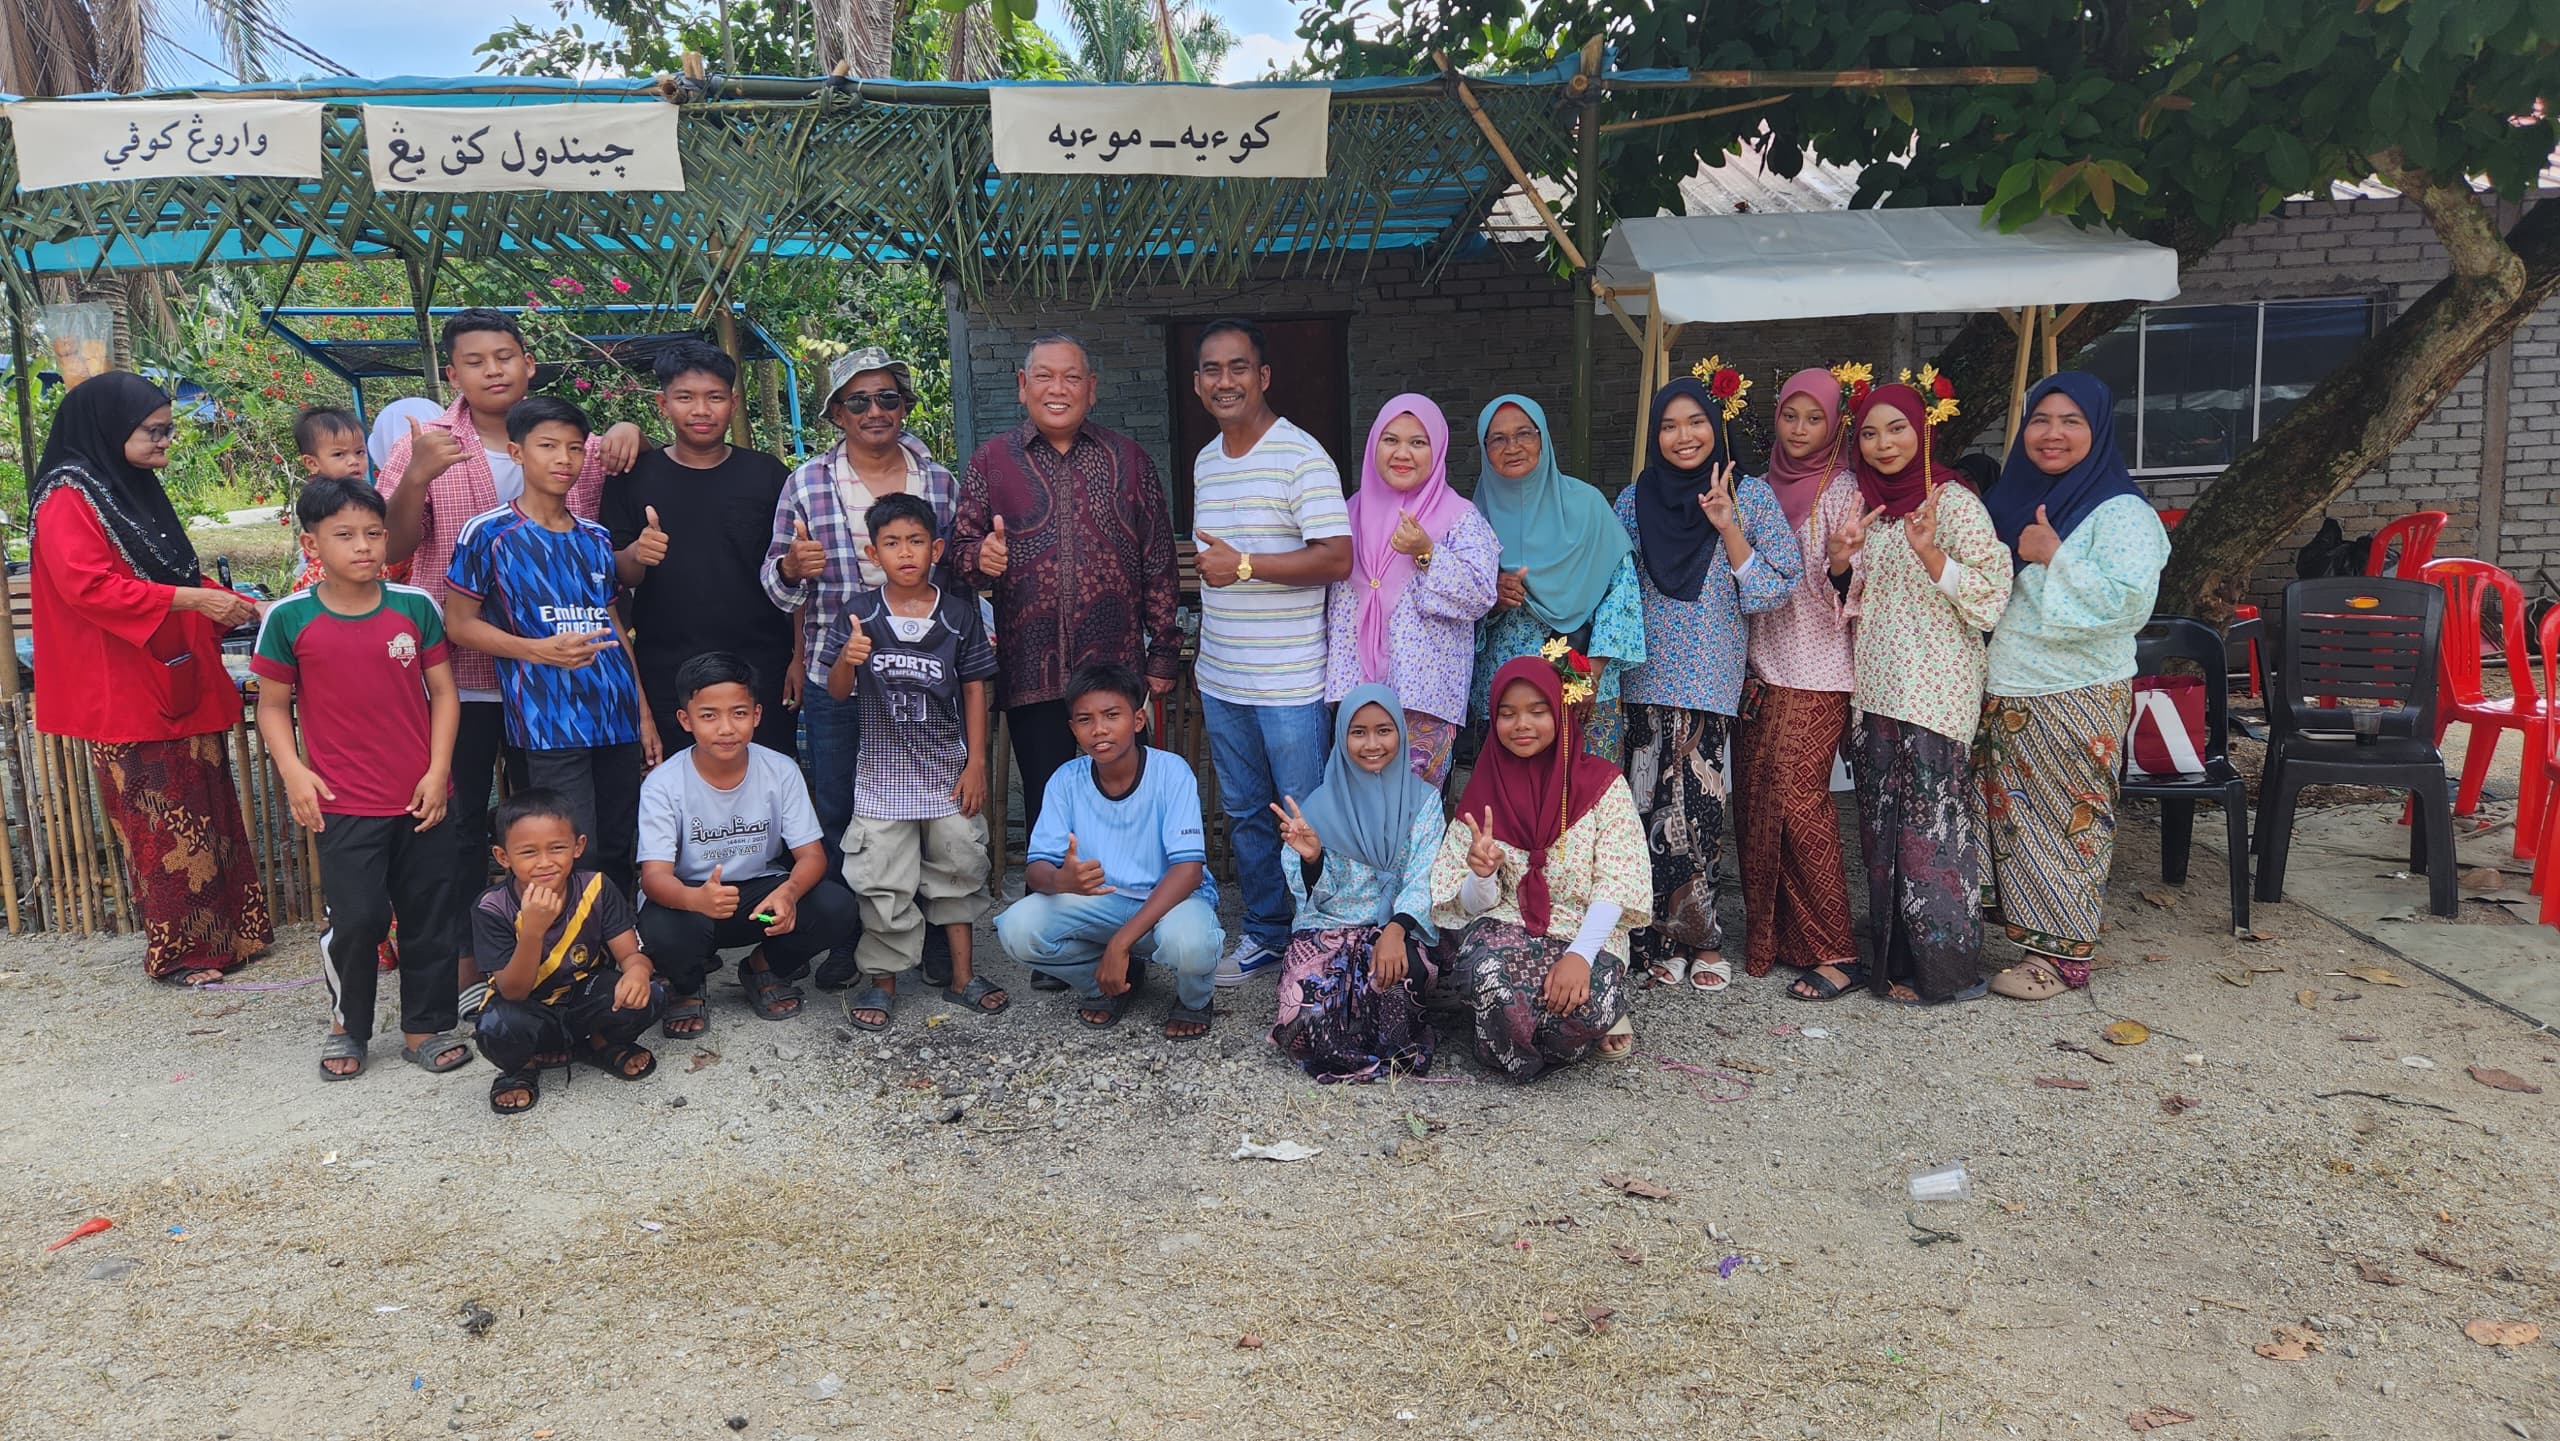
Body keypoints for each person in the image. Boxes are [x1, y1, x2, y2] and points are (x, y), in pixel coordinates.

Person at [374, 309, 642, 948]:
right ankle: (476, 954)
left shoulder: (575, 444)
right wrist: (416, 476)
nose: (493, 370)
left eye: (505, 356)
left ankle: (571, 949)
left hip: (564, 692)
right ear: (452, 374)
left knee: (560, 827)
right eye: (475, 361)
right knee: (465, 820)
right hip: (465, 674)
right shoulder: (425, 442)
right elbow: (391, 549)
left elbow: (603, 566)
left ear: (528, 363)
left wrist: (629, 429)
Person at [25, 371, 271, 982]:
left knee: (207, 808)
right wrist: (195, 601)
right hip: (124, 688)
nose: (166, 442)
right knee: (161, 826)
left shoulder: (126, 486)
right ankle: (181, 955)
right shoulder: (66, 497)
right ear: (110, 429)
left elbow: (169, 570)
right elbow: (89, 586)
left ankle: (232, 937)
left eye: (167, 430)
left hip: (173, 673)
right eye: (154, 431)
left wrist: (239, 603)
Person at [1801, 383, 2011, 1005]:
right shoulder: (1871, 509)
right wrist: (1841, 562)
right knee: (1882, 836)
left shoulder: (1955, 503)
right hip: (1878, 691)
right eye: (1869, 433)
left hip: (1936, 691)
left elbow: (1991, 596)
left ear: (1922, 432)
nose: (1883, 444)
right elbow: (1856, 600)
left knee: (1932, 836)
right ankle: (1894, 964)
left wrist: (1933, 555)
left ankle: (1945, 973)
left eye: (1897, 429)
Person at [252, 476, 469, 1079]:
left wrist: (439, 771)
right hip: (342, 800)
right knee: (358, 919)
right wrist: (294, 772)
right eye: (344, 535)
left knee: (429, 914)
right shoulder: (289, 618)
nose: (363, 546)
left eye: (373, 533)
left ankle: (425, 1027)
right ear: (311, 543)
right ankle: (348, 1024)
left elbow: (444, 694)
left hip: (422, 795)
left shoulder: (414, 607)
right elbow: (272, 706)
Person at [761, 345, 959, 984]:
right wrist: (792, 568)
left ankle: (933, 933)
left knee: (933, 806)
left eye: (887, 398)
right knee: (842, 807)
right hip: (838, 676)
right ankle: (850, 933)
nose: (875, 410)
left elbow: (957, 579)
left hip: (928, 679)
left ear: (904, 406)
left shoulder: (939, 483)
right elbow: (776, 587)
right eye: (859, 400)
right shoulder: (806, 484)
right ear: (836, 414)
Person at [1973, 373, 2169, 1001]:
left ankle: (2061, 962)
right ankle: (2022, 940)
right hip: (2005, 687)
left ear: (2099, 430)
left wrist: (2054, 554)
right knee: (2015, 824)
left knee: (2068, 825)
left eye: (2071, 421)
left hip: (2076, 690)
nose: (2052, 434)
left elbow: (2127, 605)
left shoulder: (2122, 512)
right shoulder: (2012, 497)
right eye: (2040, 420)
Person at [949, 334, 1182, 836]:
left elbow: (1159, 561)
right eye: (1044, 376)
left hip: (1115, 670)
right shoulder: (991, 461)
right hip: (1032, 669)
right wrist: (979, 557)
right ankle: (1056, 883)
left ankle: (1133, 880)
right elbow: (959, 552)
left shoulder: (1130, 459)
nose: (1058, 389)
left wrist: (1163, 653)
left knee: (1128, 797)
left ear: (1091, 388)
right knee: (1047, 801)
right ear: (1022, 385)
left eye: (1072, 378)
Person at [1614, 376, 1801, 993]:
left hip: (1707, 684)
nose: (1683, 436)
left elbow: (1774, 590)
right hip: (1642, 680)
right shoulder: (1633, 500)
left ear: (1716, 426)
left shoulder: (1748, 496)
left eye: (1695, 422)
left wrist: (1728, 527)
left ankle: (1703, 940)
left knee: (1697, 817)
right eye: (1669, 426)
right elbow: (1612, 580)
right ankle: (1656, 940)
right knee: (1645, 814)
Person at [1187, 319, 1352, 987]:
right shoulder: (1206, 460)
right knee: (1246, 813)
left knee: (1302, 815)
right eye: (1211, 369)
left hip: (1289, 682)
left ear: (1263, 376)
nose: (1224, 380)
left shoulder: (1301, 455)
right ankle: (1265, 931)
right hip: (1223, 676)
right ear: (1198, 383)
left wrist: (1248, 566)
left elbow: (1336, 557)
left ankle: (1322, 939)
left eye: (1238, 367)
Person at [443, 396, 658, 891]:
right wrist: (538, 651)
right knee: (570, 849)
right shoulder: (488, 533)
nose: (564, 459)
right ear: (517, 453)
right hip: (547, 723)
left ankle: (618, 939)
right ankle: (567, 941)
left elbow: (611, 624)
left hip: (615, 717)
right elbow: (458, 624)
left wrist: (642, 713)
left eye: (575, 448)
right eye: (548, 446)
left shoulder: (595, 537)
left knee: (619, 845)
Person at [819, 494, 1005, 1030]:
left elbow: (975, 688)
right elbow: (836, 691)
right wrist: (848, 660)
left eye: (916, 541)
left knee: (959, 868)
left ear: (936, 549)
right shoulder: (859, 614)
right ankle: (883, 982)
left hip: (948, 773)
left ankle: (964, 976)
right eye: (892, 543)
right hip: (882, 778)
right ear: (872, 553)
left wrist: (975, 763)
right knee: (882, 880)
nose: (905, 553)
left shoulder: (958, 614)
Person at [1430, 657, 1650, 1080]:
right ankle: (1551, 1030)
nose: (1522, 725)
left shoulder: (1603, 785)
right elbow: (1471, 906)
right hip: (1507, 925)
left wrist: (1580, 956)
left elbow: (1618, 881)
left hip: (1583, 928)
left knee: (1581, 1004)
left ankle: (1585, 1017)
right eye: (1507, 714)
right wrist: (1481, 875)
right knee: (1487, 978)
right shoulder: (1484, 791)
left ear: (1561, 712)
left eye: (1537, 710)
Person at [636, 652, 861, 1037]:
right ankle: (686, 986)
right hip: (693, 904)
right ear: (686, 720)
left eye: (738, 713)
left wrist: (789, 893)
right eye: (709, 716)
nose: (726, 728)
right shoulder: (663, 783)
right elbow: (653, 878)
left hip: (760, 902)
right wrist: (695, 899)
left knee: (836, 906)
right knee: (660, 926)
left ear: (756, 715)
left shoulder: (780, 770)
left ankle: (763, 968)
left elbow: (812, 856)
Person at [994, 662, 1223, 1039]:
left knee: (1191, 943)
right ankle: (1107, 984)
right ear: (1073, 729)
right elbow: (1037, 868)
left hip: (1171, 902)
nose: (1099, 729)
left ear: (1137, 720)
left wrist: (1120, 942)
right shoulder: (1065, 780)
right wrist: (1060, 880)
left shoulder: (1171, 772)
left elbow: (1188, 871)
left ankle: (1194, 1000)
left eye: (1112, 715)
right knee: (1019, 929)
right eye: (1085, 720)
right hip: (1104, 903)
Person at [1734, 370, 1865, 984]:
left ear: (1835, 424)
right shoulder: (1757, 491)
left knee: (1798, 801)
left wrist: (1840, 564)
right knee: (1757, 806)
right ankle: (1782, 938)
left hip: (1821, 671)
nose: (1800, 429)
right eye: (1791, 416)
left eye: (1815, 419)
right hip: (1759, 669)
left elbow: (1859, 585)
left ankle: (1836, 949)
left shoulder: (1845, 492)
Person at [604, 343, 797, 754]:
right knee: (675, 778)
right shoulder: (634, 478)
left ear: (734, 402)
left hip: (762, 663)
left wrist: (797, 657)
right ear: (663, 405)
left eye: (714, 397)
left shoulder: (768, 475)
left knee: (768, 773)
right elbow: (618, 572)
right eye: (685, 398)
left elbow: (795, 573)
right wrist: (638, 553)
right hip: (667, 667)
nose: (701, 410)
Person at [1268, 685, 1448, 1082]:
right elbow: (1311, 897)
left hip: (1397, 926)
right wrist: (1313, 858)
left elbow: (1425, 874)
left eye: (1384, 730)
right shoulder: (1318, 806)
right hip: (1330, 925)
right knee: (1304, 1018)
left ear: (1400, 732)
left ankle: (1388, 1042)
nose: (1372, 744)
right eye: (1358, 732)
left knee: (1399, 981)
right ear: (1341, 737)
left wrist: (1395, 929)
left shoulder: (1423, 802)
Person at [1322, 395, 1500, 784]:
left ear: (1437, 450)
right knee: (1359, 806)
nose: (1402, 453)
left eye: (1418, 442)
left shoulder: (1460, 517)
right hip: (1356, 697)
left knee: (1416, 809)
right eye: (1391, 440)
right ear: (1374, 445)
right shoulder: (1347, 515)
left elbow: (1481, 595)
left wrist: (1426, 552)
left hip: (1423, 700)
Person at [1469, 395, 1644, 763]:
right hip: (1508, 695)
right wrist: (1491, 598)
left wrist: (1590, 674)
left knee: (1585, 788)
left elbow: (1621, 593)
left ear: (1543, 438)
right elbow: (1456, 608)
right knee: (1513, 790)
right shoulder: (1472, 518)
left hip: (1583, 686)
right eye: (1498, 439)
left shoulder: (1587, 505)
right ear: (1484, 449)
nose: (1512, 447)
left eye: (1524, 434)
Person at [470, 789, 664, 1116]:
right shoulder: (492, 907)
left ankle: (601, 1041)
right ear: (503, 857)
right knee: (497, 1025)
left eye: (557, 848)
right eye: (528, 852)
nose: (545, 862)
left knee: (651, 995)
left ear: (578, 846)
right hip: (529, 1008)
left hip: (584, 996)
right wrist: (532, 931)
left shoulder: (596, 888)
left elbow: (631, 955)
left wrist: (637, 972)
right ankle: (522, 1066)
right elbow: (514, 991)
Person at [284, 408, 379, 594]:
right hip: (326, 574)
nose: (354, 461)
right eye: (339, 455)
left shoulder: (364, 493)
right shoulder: (319, 498)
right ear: (312, 463)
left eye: (359, 452)